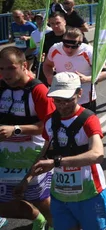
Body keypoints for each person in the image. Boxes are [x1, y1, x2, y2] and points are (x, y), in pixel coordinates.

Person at [18, 72, 106, 230]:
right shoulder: (50, 121)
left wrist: (57, 162)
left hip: (89, 191)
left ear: (79, 93)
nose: (62, 105)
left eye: (67, 100)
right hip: (60, 194)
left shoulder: (89, 119)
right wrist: (27, 179)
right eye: (57, 100)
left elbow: (97, 154)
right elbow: (44, 152)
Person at [0, 47, 54, 230]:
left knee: (41, 199)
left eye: (10, 68)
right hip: (5, 158)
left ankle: (55, 224)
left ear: (24, 66)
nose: (5, 74)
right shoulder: (1, 87)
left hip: (34, 155)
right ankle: (37, 218)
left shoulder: (38, 90)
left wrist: (16, 130)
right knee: (4, 203)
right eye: (1, 69)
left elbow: (49, 126)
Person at [43, 27, 106, 112]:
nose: (69, 50)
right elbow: (47, 65)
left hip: (85, 99)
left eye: (74, 47)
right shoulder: (55, 49)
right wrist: (49, 76)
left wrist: (86, 79)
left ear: (81, 43)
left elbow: (105, 73)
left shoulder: (89, 51)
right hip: (61, 99)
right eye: (66, 46)